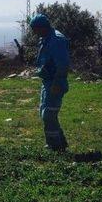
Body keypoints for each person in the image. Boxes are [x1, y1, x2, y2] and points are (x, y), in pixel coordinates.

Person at [29, 13, 70, 151]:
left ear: (42, 27)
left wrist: (57, 84)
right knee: (45, 112)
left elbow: (63, 64)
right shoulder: (46, 38)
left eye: (35, 29)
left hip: (55, 82)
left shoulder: (56, 40)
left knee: (49, 114)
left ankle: (55, 146)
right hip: (47, 82)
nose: (34, 33)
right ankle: (60, 142)